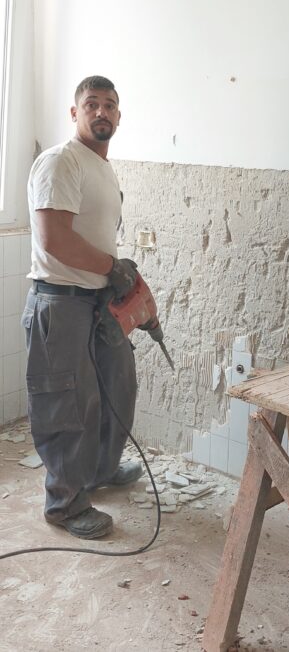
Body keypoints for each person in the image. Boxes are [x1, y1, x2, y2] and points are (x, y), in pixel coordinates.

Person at [23, 76, 142, 538]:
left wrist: (114, 277)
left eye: (109, 105)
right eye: (91, 104)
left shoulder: (102, 168)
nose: (101, 112)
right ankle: (66, 504)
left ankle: (98, 471)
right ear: (75, 113)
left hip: (97, 300)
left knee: (117, 388)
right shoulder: (61, 161)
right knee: (67, 406)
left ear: (119, 116)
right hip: (61, 303)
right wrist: (112, 267)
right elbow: (54, 240)